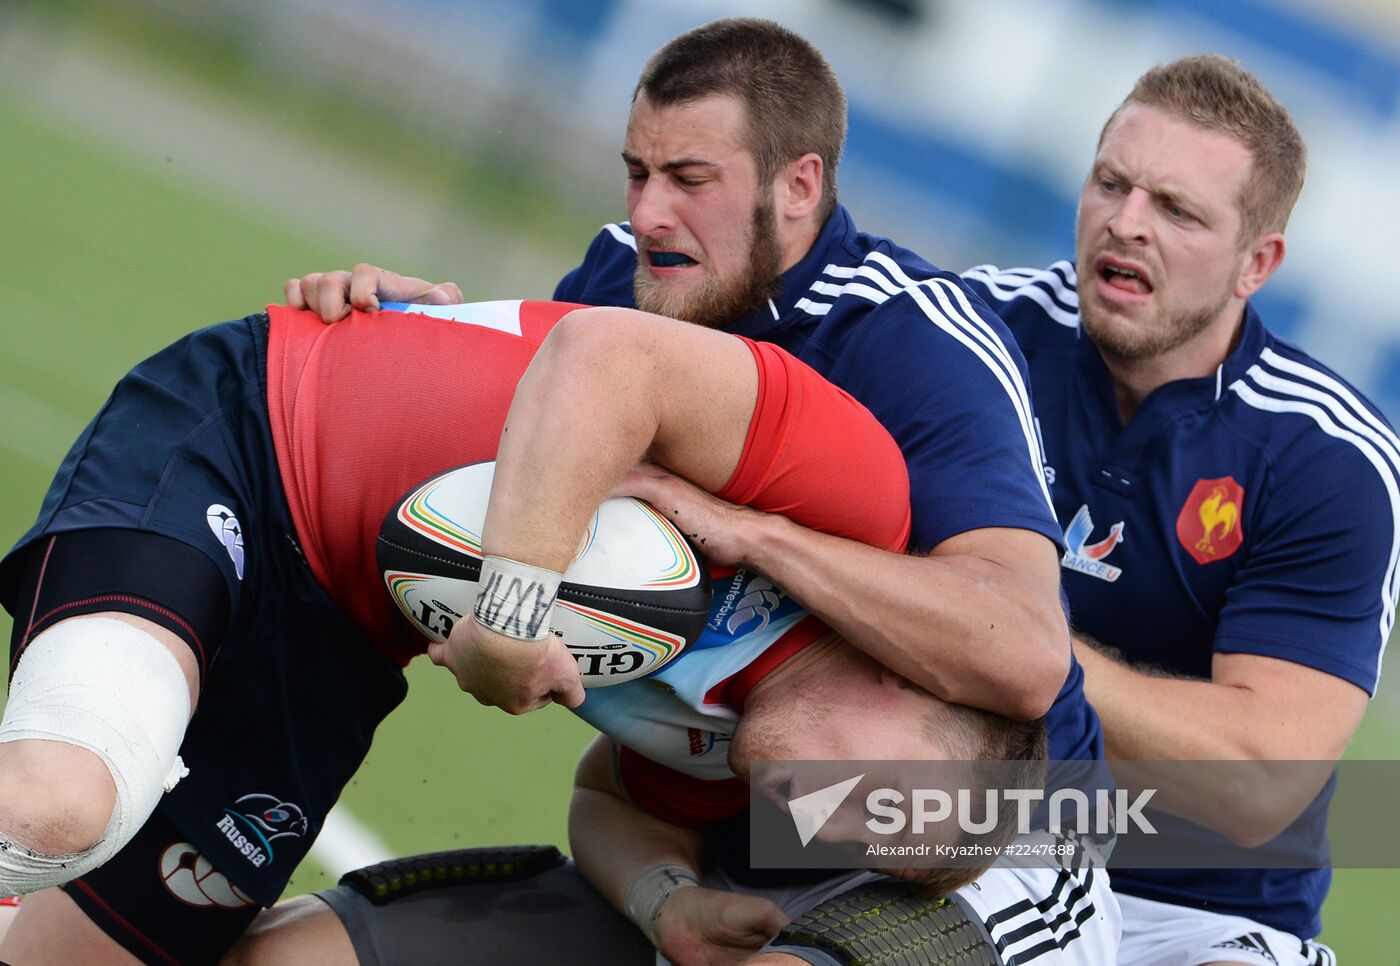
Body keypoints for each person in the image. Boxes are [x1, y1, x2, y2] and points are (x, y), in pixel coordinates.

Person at [285, 15, 1114, 963]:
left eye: (689, 180)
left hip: (976, 837)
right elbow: (600, 751)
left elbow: (1027, 652)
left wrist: (753, 533)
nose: (645, 215)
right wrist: (402, 335)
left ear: (799, 185)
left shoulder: (913, 343)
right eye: (638, 173)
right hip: (716, 833)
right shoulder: (618, 285)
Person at [0, 295, 941, 966]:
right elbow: (600, 355)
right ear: (912, 686)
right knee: (66, 805)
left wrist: (668, 904)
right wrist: (511, 613)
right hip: (255, 437)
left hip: (343, 642)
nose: (830, 816)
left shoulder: (719, 755)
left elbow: (618, 805)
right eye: (880, 798)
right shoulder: (859, 505)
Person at [957, 54, 1398, 965]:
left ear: (1257, 263)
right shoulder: (963, 338)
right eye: (1111, 183)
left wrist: (1002, 640)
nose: (1126, 224)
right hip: (959, 842)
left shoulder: (1331, 461)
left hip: (1203, 917)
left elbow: (1254, 782)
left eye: (1177, 209)